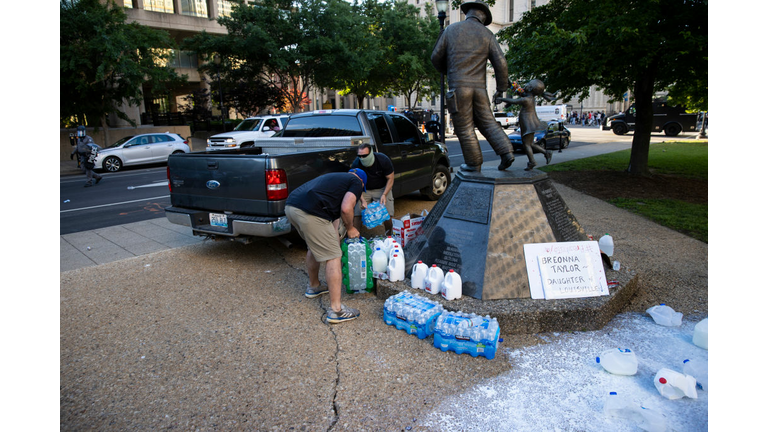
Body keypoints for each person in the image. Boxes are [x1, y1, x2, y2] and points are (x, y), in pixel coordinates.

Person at [431, 0, 514, 172]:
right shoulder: (487, 34)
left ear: (468, 13)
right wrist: (501, 89)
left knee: (464, 127)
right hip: (480, 89)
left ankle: (473, 163)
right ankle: (507, 152)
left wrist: (450, 71)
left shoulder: (451, 30)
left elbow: (435, 57)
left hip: (459, 88)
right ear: (483, 17)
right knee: (488, 123)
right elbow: (501, 64)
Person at [284, 169, 367, 324]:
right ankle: (336, 310)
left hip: (291, 207)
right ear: (362, 183)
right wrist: (350, 228)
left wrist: (334, 245)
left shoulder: (333, 184)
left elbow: (333, 229)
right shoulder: (355, 181)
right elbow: (346, 208)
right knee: (334, 257)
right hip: (311, 212)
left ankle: (314, 286)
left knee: (315, 247)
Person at [496, 79, 554, 171]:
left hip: (527, 123)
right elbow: (519, 91)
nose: (525, 85)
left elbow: (514, 101)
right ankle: (546, 152)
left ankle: (532, 161)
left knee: (526, 144)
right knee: (530, 143)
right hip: (527, 122)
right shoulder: (529, 96)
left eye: (528, 84)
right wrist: (511, 84)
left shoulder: (526, 99)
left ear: (530, 88)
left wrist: (502, 99)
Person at [350, 143, 395, 235]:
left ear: (371, 153)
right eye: (360, 156)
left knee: (387, 214)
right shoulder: (356, 164)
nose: (362, 158)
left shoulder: (383, 160)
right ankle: (355, 239)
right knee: (357, 214)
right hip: (363, 190)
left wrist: (384, 195)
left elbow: (390, 178)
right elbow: (355, 184)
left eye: (365, 156)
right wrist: (362, 200)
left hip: (382, 189)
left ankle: (390, 236)